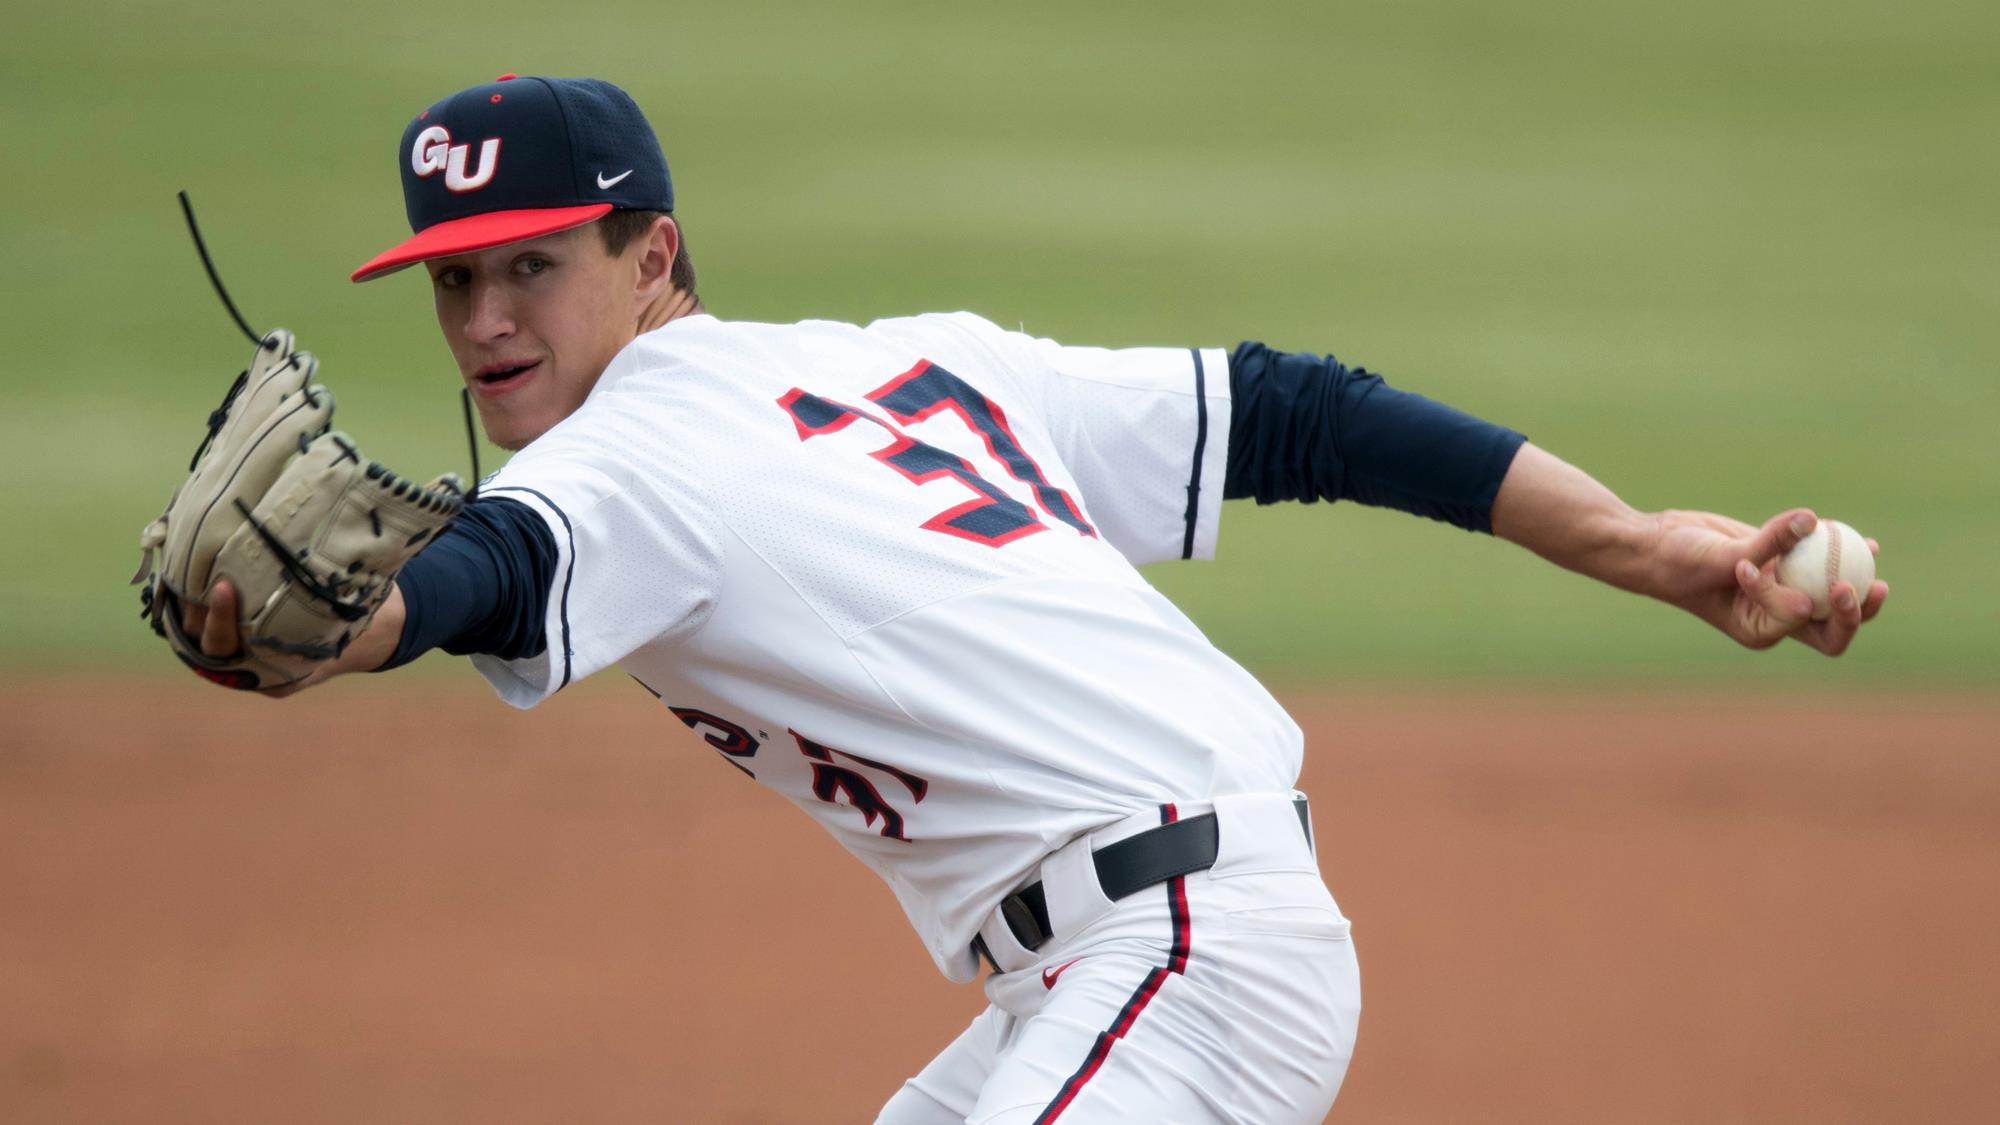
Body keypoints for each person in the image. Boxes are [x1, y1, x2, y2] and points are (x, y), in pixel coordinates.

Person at [181, 75, 1886, 1123]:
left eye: (533, 263)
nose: (485, 318)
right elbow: (1300, 410)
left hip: (1176, 953)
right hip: (1136, 957)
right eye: (456, 278)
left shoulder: (621, 455)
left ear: (656, 257)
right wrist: (1649, 543)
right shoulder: (908, 361)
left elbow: (503, 566)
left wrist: (372, 627)